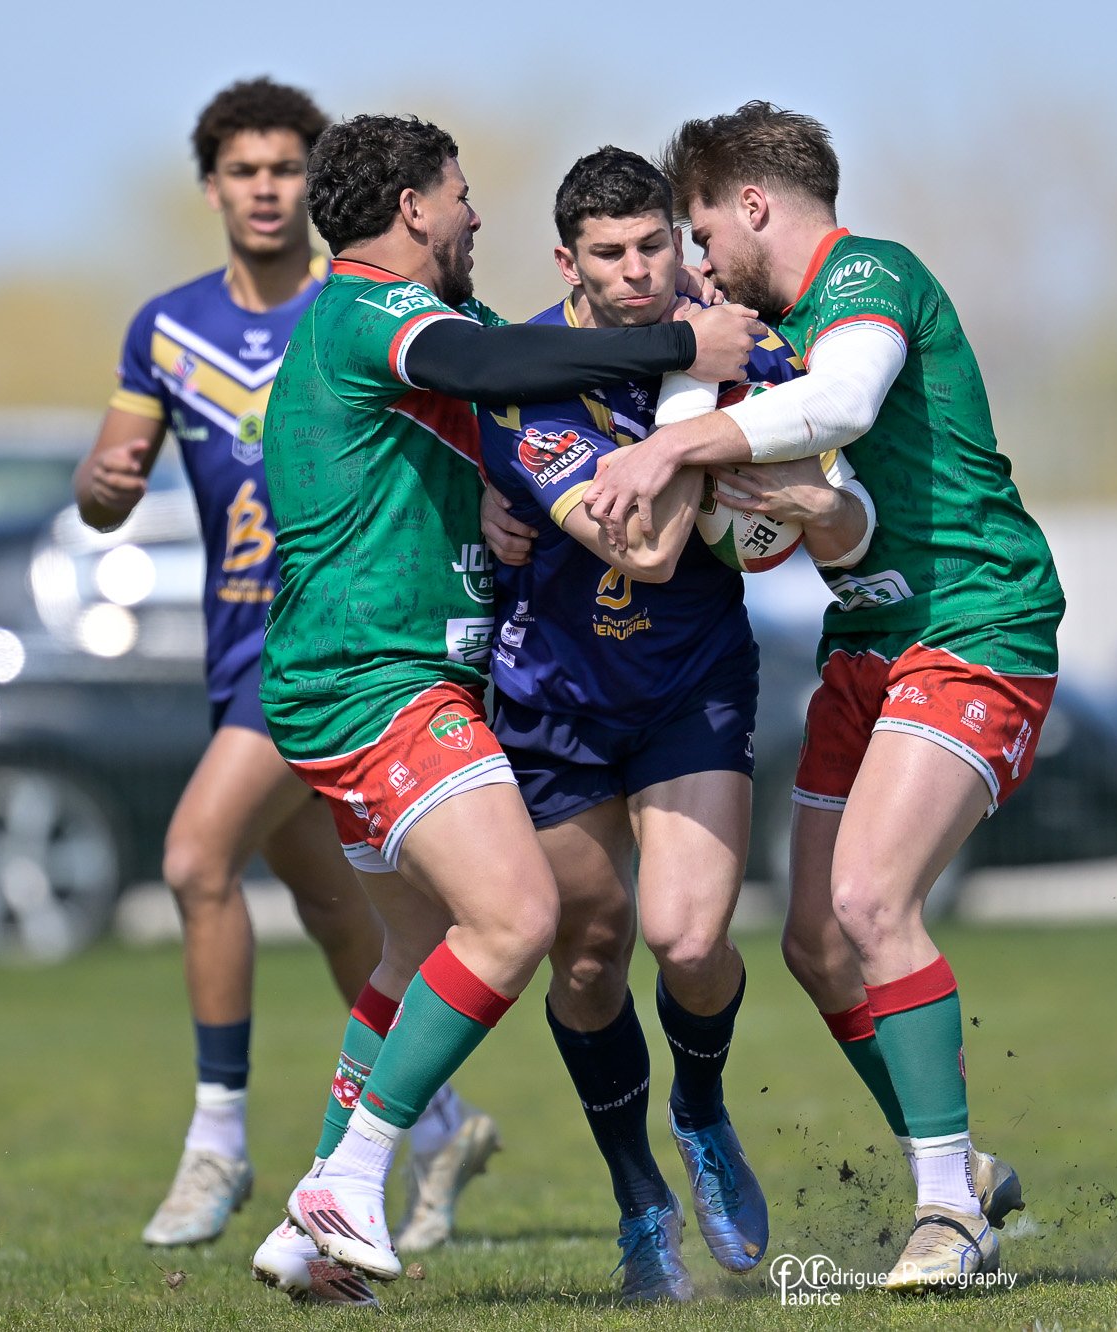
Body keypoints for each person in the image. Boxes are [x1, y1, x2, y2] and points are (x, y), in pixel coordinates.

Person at [247, 112, 763, 1298]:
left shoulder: (452, 327)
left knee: (417, 952)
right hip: (373, 681)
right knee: (519, 918)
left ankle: (304, 1218)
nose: (475, 212)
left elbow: (498, 377)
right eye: (462, 192)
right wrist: (683, 346)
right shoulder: (369, 309)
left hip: (374, 682)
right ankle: (353, 1177)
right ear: (416, 209)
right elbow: (488, 373)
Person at [583, 102, 1058, 1291]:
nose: (690, 261)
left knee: (866, 897)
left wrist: (670, 451)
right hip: (869, 639)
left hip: (974, 624)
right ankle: (958, 1165)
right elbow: (817, 531)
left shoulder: (870, 276)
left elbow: (842, 411)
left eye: (695, 230)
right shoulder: (768, 330)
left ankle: (949, 1218)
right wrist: (756, 485)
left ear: (751, 204)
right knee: (810, 941)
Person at [73, 78, 490, 1265]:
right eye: (243, 169)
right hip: (240, 649)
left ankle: (221, 1144)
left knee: (196, 857)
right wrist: (98, 491)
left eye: (284, 168)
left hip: (318, 652)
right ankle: (431, 1128)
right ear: (211, 185)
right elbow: (112, 473)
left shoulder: (365, 304)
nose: (265, 188)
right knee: (350, 919)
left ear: (321, 186)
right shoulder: (167, 330)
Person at [477, 146, 872, 1301]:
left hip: (692, 682)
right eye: (610, 253)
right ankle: (637, 1198)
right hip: (555, 698)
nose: (641, 269)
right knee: (590, 955)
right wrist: (702, 419)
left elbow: (832, 451)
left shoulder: (738, 334)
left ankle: (700, 1114)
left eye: (656, 242)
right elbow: (643, 550)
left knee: (690, 941)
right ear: (568, 263)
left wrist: (796, 477)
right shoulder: (526, 371)